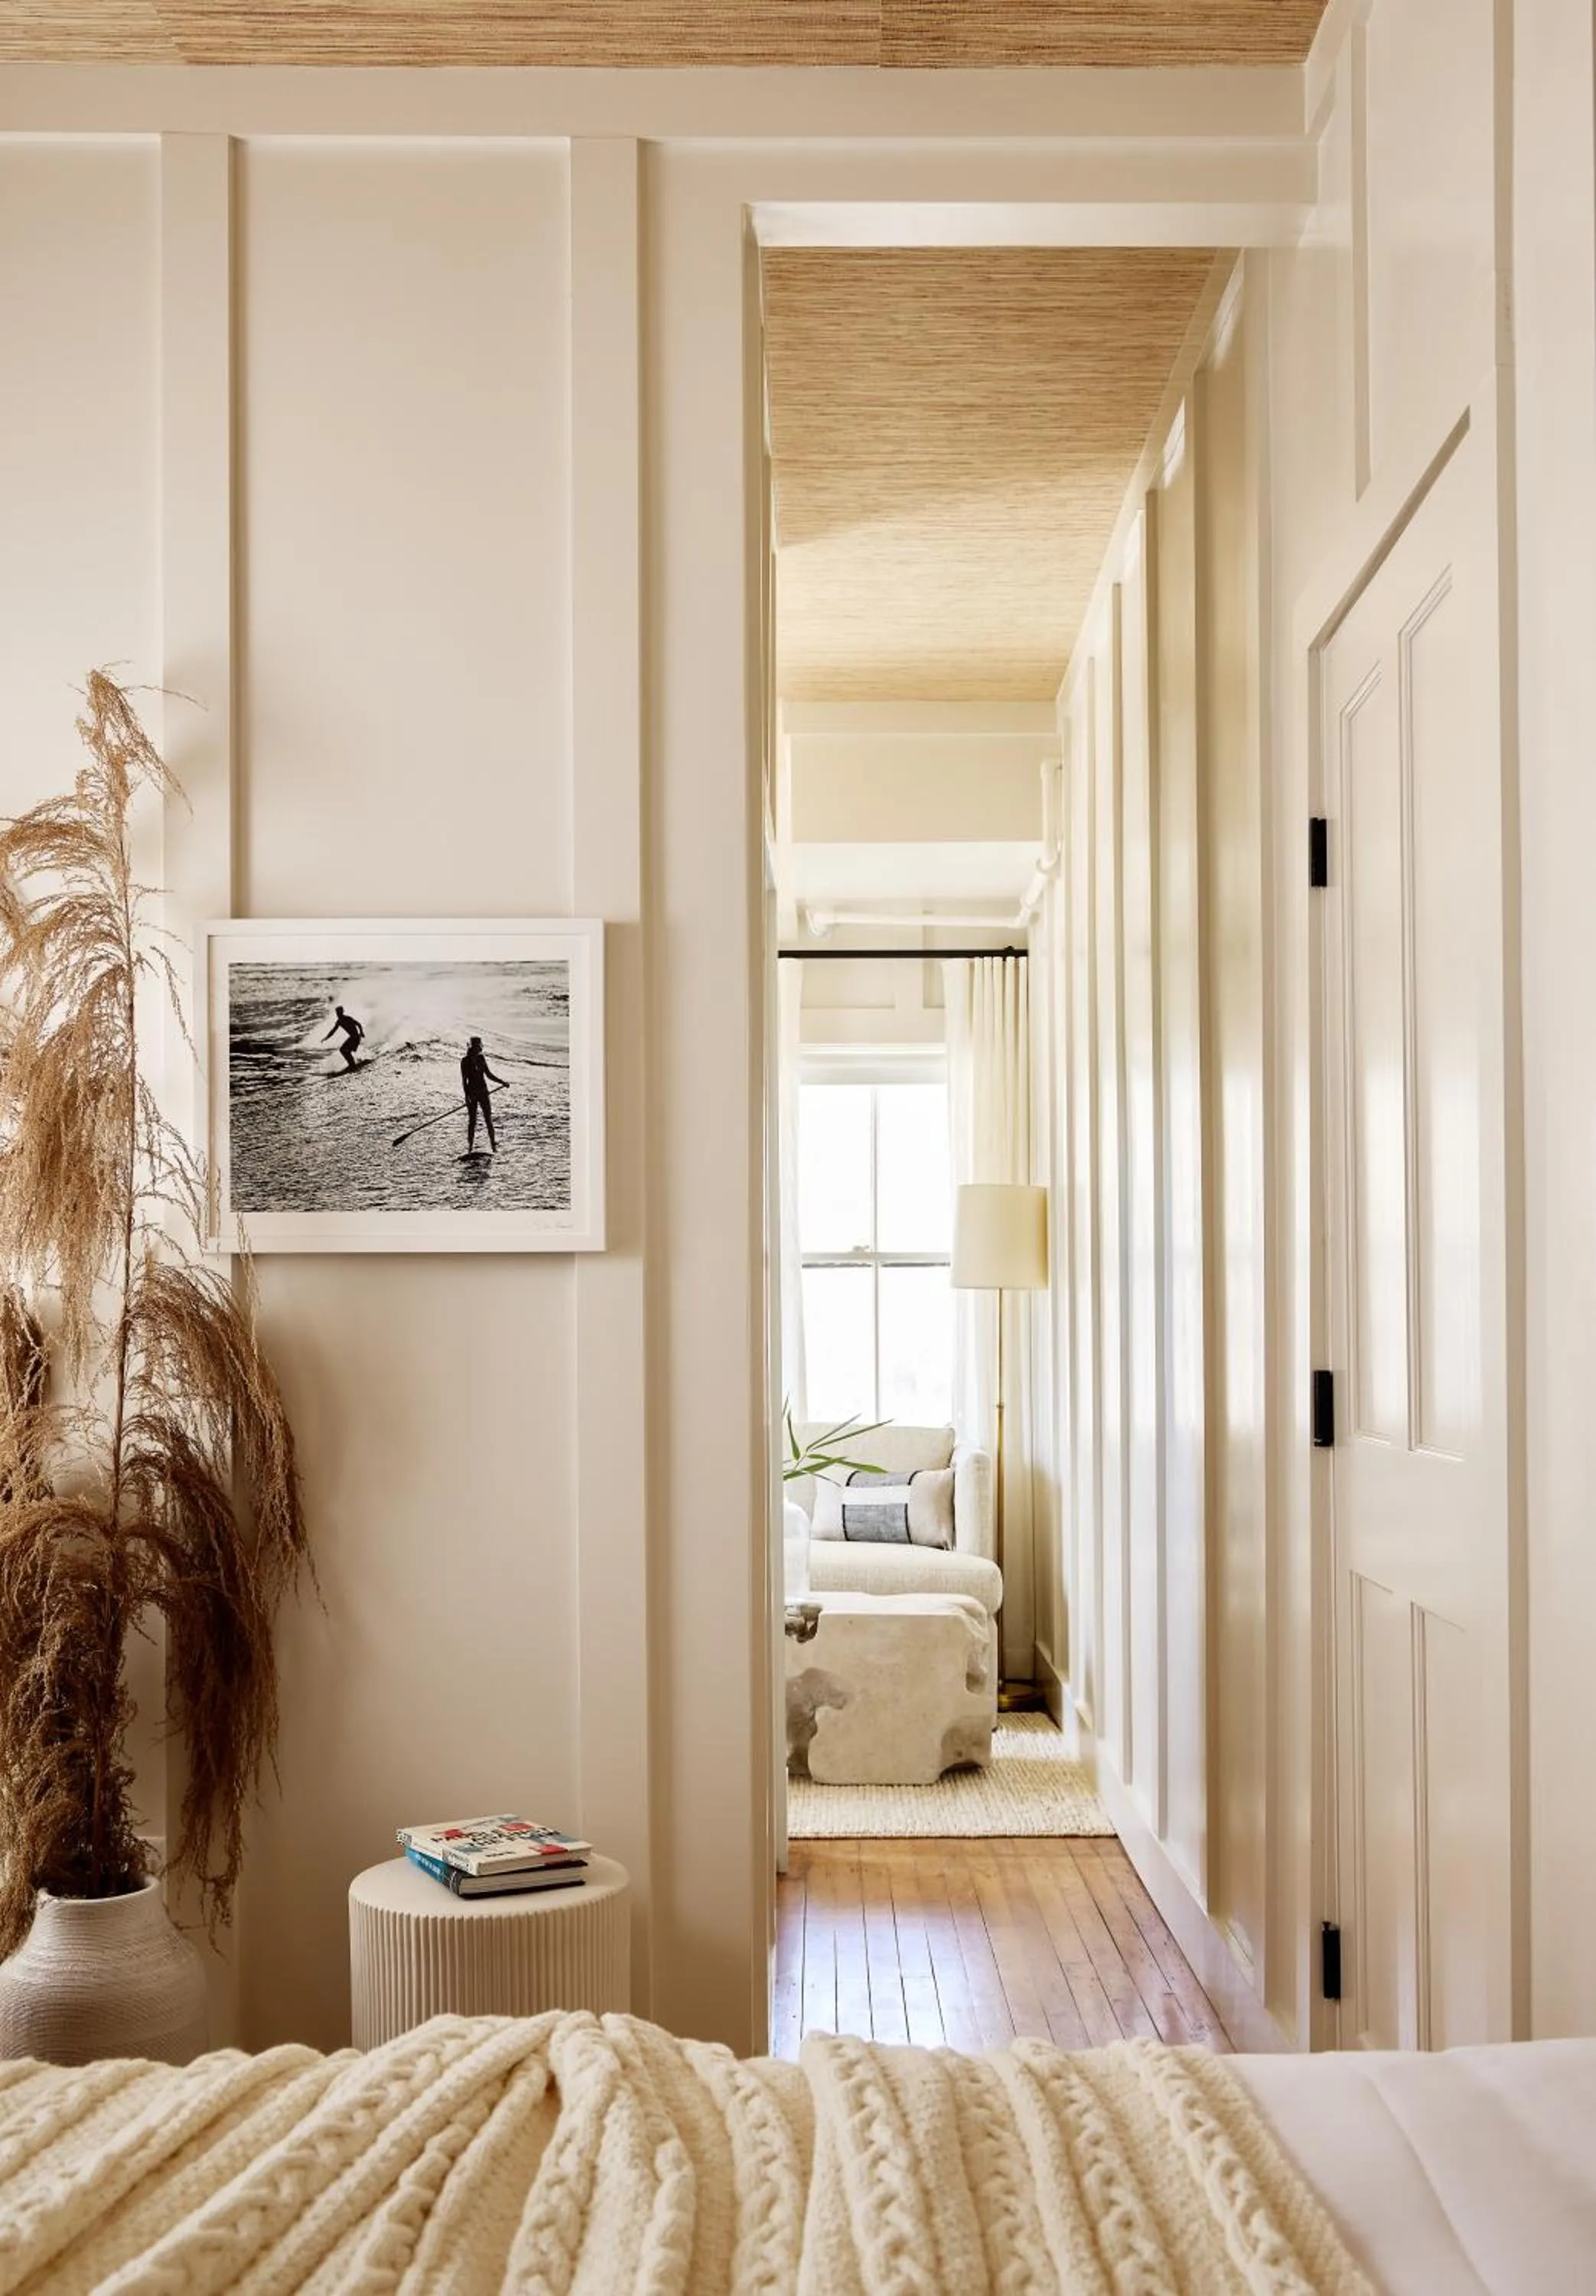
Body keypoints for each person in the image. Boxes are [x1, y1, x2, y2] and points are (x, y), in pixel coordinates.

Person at [461, 1036, 509, 1153]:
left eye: (479, 1046)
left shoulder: (481, 1058)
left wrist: (502, 1082)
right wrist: (467, 1097)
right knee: (472, 1121)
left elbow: (488, 1074)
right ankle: (470, 1147)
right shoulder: (465, 1061)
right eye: (476, 1047)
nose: (479, 1049)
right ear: (471, 1047)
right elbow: (464, 1081)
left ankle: (493, 1145)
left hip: (483, 1092)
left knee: (488, 1119)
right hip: (472, 1093)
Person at [323, 1005, 365, 1072]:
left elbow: (358, 1024)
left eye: (339, 1013)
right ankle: (353, 1064)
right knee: (344, 1050)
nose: (338, 1015)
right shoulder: (339, 1021)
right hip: (353, 1038)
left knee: (343, 1050)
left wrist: (361, 1033)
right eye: (337, 1013)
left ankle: (352, 1065)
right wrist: (326, 1038)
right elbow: (333, 1031)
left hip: (355, 1038)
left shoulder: (348, 1018)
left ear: (342, 1013)